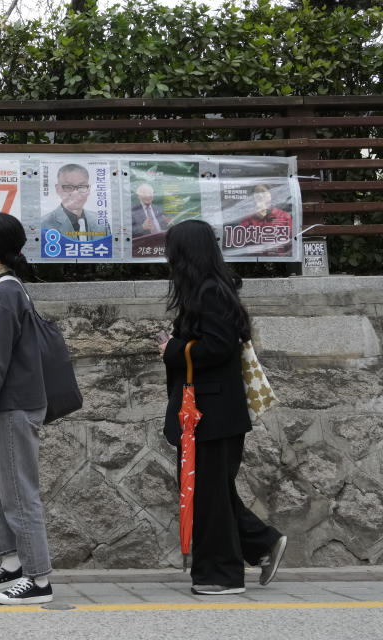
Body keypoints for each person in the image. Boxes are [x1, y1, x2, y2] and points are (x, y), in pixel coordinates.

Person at [158, 219, 287, 596]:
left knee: (208, 494)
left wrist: (173, 350)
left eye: (172, 251)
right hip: (210, 412)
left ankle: (222, 575)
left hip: (211, 413)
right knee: (210, 491)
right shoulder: (210, 290)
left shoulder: (211, 293)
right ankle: (261, 544)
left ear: (185, 254)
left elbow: (217, 347)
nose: (168, 258)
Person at [0, 212, 54, 606]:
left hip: (14, 406)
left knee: (19, 494)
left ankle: (39, 580)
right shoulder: (1, 288)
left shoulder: (6, 292)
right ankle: (13, 561)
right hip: (8, 406)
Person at [40, 164, 110, 240]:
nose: (75, 193)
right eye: (68, 187)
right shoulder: (44, 224)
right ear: (58, 189)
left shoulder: (101, 222)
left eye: (82, 186)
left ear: (89, 189)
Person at [233, 184, 292, 255]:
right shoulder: (247, 218)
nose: (261, 195)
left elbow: (291, 242)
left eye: (263, 192)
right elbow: (241, 243)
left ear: (271, 195)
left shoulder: (284, 216)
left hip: (278, 260)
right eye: (257, 193)